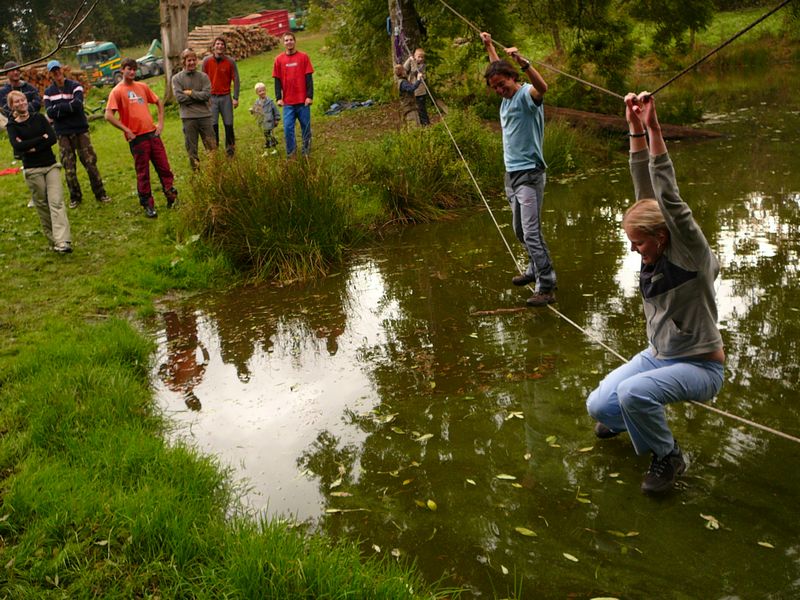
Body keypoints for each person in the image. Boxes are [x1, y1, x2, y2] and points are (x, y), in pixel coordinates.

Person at [586, 92, 725, 495]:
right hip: (658, 356)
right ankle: (632, 418)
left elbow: (669, 198)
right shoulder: (653, 242)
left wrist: (654, 128)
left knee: (632, 393)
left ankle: (668, 454)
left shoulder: (692, 256)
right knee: (600, 406)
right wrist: (633, 128)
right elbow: (644, 191)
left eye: (639, 243)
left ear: (663, 237)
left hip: (701, 367)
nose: (633, 250)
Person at [480, 32, 556, 307]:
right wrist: (489, 45)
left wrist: (524, 63)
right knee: (520, 232)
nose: (500, 90)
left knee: (532, 232)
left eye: (502, 85)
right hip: (511, 175)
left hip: (530, 174)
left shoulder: (526, 95)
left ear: (514, 78)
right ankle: (534, 268)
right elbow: (498, 68)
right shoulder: (506, 97)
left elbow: (543, 87)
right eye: (495, 87)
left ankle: (546, 285)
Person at [104, 57, 177, 219]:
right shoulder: (117, 91)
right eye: (128, 68)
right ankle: (148, 205)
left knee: (164, 167)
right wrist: (126, 130)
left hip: (152, 134)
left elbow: (158, 102)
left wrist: (160, 124)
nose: (131, 72)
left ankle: (171, 197)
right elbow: (108, 115)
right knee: (143, 173)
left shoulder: (142, 87)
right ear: (122, 70)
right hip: (137, 139)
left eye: (134, 69)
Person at [5, 90, 72, 253]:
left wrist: (30, 145)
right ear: (12, 106)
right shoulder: (12, 126)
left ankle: (63, 241)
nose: (21, 103)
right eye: (16, 102)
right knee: (42, 205)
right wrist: (40, 139)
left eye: (22, 100)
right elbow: (17, 146)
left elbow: (52, 138)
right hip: (32, 169)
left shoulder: (39, 118)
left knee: (56, 202)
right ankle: (53, 240)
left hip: (50, 165)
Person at [43, 60, 111, 208]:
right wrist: (67, 107)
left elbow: (78, 105)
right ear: (50, 74)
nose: (57, 73)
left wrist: (59, 109)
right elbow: (49, 112)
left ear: (62, 70)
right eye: (53, 71)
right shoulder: (48, 92)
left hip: (81, 131)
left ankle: (101, 193)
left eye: (58, 69)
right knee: (69, 166)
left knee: (90, 163)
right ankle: (75, 197)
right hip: (62, 133)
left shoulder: (75, 86)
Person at [1, 60, 42, 209]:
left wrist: (24, 110)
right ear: (7, 74)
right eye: (12, 70)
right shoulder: (3, 92)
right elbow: (6, 110)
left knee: (41, 160)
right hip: (19, 132)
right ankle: (34, 195)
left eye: (17, 69)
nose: (16, 72)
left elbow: (37, 102)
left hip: (35, 130)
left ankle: (44, 193)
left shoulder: (29, 87)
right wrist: (23, 110)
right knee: (27, 165)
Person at [172, 48, 217, 169]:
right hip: (188, 118)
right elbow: (180, 98)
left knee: (212, 146)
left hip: (205, 116)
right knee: (192, 149)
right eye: (188, 60)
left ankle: (215, 172)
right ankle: (197, 174)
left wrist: (190, 93)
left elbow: (207, 95)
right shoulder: (176, 79)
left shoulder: (203, 77)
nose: (191, 63)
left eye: (193, 60)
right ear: (183, 62)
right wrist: (199, 96)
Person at [272, 32, 314, 157]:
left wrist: (309, 96)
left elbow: (309, 78)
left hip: (303, 101)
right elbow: (277, 80)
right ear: (283, 43)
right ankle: (291, 154)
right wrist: (279, 98)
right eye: (286, 40)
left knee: (306, 128)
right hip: (288, 103)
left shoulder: (303, 57)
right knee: (288, 129)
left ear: (295, 41)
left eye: (291, 40)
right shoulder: (279, 60)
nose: (289, 42)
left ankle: (306, 152)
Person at [201, 37, 240, 157]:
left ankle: (230, 150)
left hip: (226, 97)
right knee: (213, 125)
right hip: (211, 98)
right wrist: (204, 97)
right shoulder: (207, 61)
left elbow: (236, 79)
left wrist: (235, 97)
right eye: (217, 44)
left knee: (228, 124)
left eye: (222, 44)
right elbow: (202, 79)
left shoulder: (230, 62)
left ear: (225, 47)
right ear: (213, 46)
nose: (219, 46)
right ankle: (215, 149)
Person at [250, 82, 280, 155]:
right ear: (257, 93)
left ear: (265, 90)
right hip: (263, 123)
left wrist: (277, 119)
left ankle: (274, 149)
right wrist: (252, 111)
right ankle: (267, 150)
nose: (262, 92)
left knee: (271, 136)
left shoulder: (270, 102)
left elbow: (275, 110)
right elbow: (256, 111)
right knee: (266, 136)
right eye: (260, 91)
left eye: (263, 90)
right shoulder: (257, 102)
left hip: (270, 121)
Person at [402, 48, 429, 126]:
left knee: (422, 110)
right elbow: (404, 68)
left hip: (420, 92)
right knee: (415, 109)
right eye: (419, 57)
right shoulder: (413, 63)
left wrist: (413, 62)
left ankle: (426, 125)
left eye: (422, 57)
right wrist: (409, 59)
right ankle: (419, 124)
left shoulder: (422, 66)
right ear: (415, 56)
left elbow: (415, 72)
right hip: (413, 91)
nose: (420, 59)